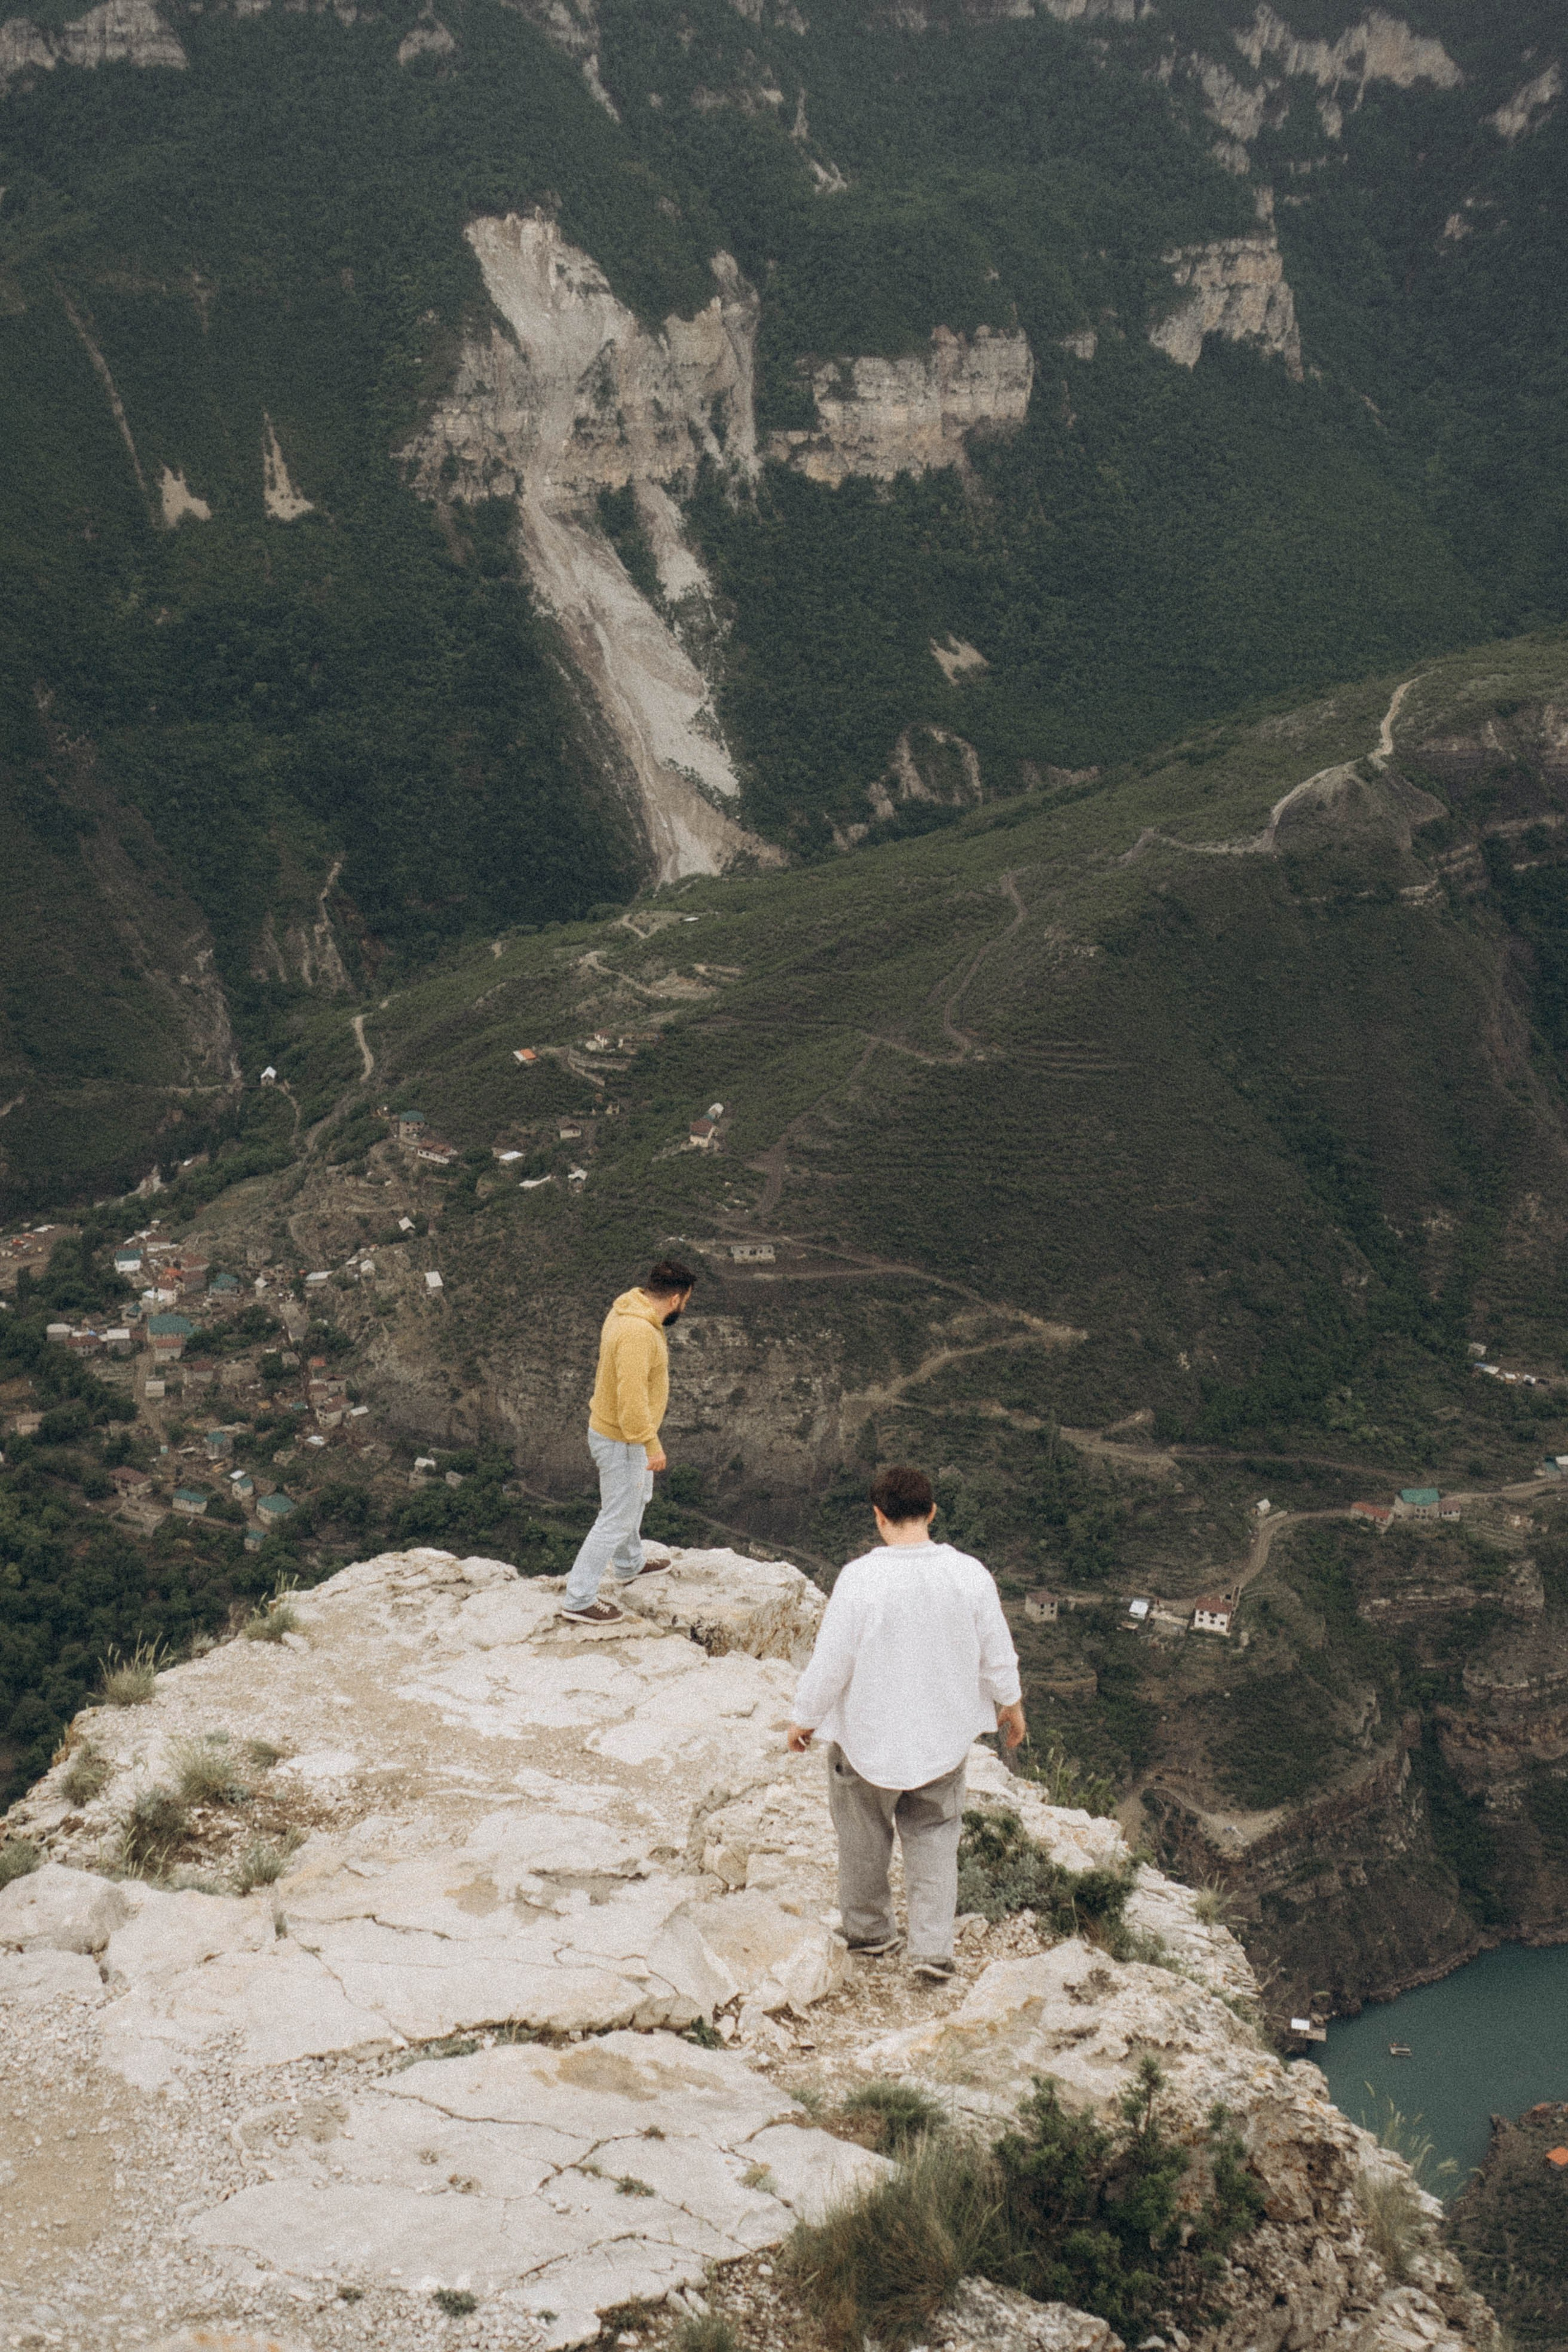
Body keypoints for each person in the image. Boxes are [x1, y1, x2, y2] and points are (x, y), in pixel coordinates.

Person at [786, 1462, 1025, 1980]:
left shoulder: (859, 1579)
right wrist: (1010, 1702)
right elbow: (997, 1650)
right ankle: (932, 1950)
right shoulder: (970, 1575)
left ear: (879, 1517)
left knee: (862, 1837)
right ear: (932, 1512)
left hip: (866, 1741)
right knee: (935, 1837)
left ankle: (869, 1931)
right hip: (941, 1741)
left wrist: (804, 1718)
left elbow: (832, 1662)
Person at [559, 1259, 696, 1626]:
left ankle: (629, 1563)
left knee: (636, 1499)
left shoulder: (627, 1308)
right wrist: (651, 1443)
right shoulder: (638, 1332)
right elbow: (631, 1398)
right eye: (686, 1302)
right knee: (616, 1517)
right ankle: (579, 1599)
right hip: (623, 1439)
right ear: (676, 1299)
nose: (684, 1308)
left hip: (619, 1434)